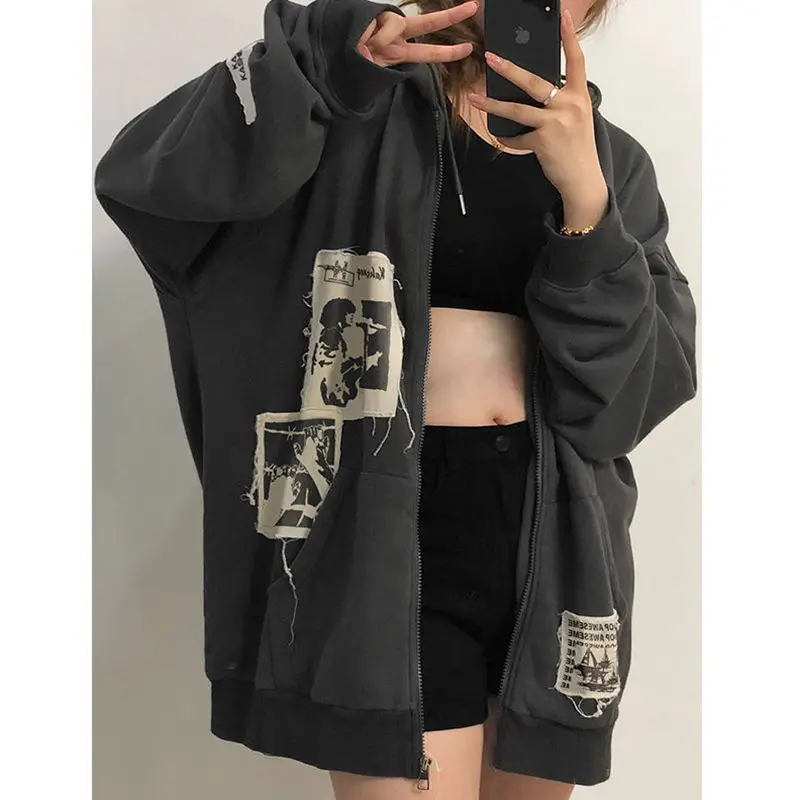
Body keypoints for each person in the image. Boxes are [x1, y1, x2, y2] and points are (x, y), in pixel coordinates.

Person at [94, 0, 698, 798]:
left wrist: (587, 204)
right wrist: (325, 61)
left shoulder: (612, 163)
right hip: (381, 528)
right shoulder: (352, 104)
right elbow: (149, 181)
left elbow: (631, 397)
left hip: (553, 541)